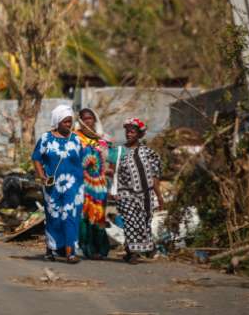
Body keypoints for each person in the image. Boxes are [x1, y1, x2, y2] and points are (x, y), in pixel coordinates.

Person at [32, 105, 85, 263]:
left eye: (70, 121)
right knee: (54, 217)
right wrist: (42, 176)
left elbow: (82, 159)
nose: (69, 125)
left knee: (71, 215)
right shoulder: (46, 139)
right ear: (57, 122)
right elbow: (36, 158)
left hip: (74, 186)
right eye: (65, 122)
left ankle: (70, 252)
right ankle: (52, 248)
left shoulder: (76, 139)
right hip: (52, 186)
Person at [110, 117, 165, 263]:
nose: (129, 134)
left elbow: (154, 175)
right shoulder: (119, 151)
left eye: (132, 131)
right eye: (127, 131)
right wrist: (113, 190)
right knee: (130, 221)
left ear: (140, 134)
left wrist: (159, 196)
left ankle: (131, 249)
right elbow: (112, 171)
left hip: (145, 195)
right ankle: (134, 253)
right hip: (125, 193)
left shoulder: (149, 153)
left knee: (144, 222)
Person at [74, 108, 110, 260]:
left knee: (99, 216)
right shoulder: (75, 138)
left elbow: (108, 162)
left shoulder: (102, 139)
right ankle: (86, 248)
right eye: (85, 119)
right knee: (84, 216)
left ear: (95, 120)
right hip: (81, 184)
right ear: (80, 121)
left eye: (91, 118)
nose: (88, 121)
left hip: (99, 185)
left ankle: (99, 249)